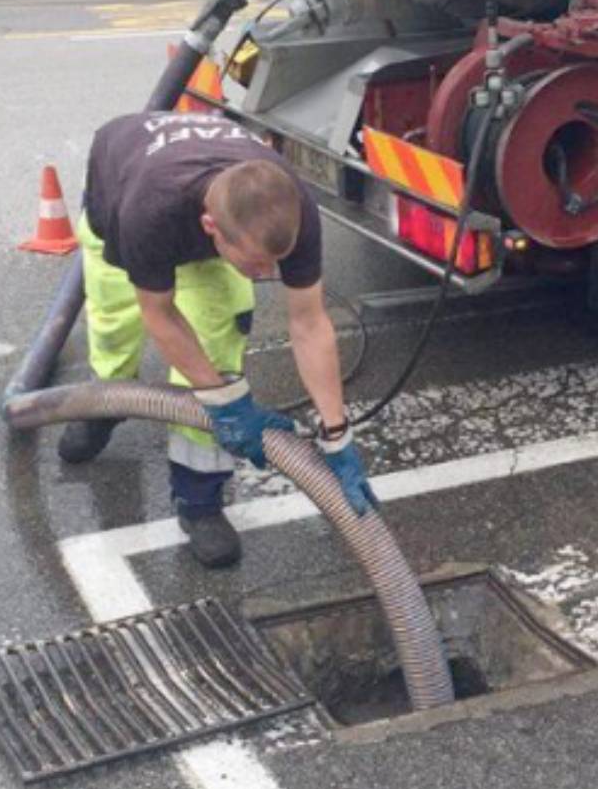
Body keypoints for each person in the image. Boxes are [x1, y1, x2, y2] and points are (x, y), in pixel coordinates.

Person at [60, 110, 376, 569]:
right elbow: (159, 315)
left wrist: (337, 434)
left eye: (274, 263)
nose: (267, 275)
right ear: (212, 231)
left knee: (219, 340)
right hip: (121, 191)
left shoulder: (293, 209)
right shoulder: (149, 211)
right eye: (254, 265)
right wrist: (229, 403)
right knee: (115, 324)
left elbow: (309, 323)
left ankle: (199, 502)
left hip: (198, 204)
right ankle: (106, 406)